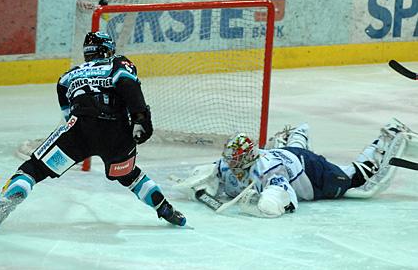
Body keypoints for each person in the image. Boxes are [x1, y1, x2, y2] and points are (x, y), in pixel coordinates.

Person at [0, 31, 186, 234]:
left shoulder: (66, 77)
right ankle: (166, 210)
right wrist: (141, 118)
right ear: (107, 50)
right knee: (130, 175)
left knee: (34, 169)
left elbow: (68, 116)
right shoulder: (118, 63)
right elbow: (127, 84)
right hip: (117, 134)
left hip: (79, 132)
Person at [174, 119, 412, 218]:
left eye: (236, 160)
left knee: (354, 177)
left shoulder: (269, 172)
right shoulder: (226, 165)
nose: (231, 164)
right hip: (288, 156)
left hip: (313, 173)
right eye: (230, 159)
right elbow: (203, 177)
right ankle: (299, 132)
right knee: (295, 150)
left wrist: (261, 201)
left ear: (248, 158)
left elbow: (273, 203)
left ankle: (388, 135)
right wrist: (198, 186)